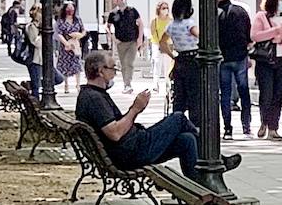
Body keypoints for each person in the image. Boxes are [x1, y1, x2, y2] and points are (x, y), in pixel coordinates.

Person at [75, 51, 241, 178]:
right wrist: (135, 109)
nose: (115, 72)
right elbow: (115, 133)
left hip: (131, 147)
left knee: (187, 140)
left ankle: (200, 186)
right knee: (178, 118)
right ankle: (215, 158)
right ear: (100, 71)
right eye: (112, 68)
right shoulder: (94, 99)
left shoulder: (92, 94)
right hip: (131, 152)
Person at [250, 0, 282, 141]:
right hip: (265, 60)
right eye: (280, 1)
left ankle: (273, 127)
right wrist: (274, 32)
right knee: (266, 93)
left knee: (278, 95)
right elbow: (255, 36)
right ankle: (264, 121)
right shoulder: (261, 17)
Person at [216, 0, 254, 140]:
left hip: (223, 58)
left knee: (225, 94)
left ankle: (228, 129)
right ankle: (246, 127)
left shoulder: (215, 13)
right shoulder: (241, 11)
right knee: (244, 91)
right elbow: (248, 33)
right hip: (240, 56)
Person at [161, 0, 201, 121]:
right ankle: (195, 123)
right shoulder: (189, 24)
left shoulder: (171, 25)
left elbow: (162, 42)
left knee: (179, 94)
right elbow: (200, 36)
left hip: (179, 60)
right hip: (193, 58)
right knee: (194, 93)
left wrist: (172, 54)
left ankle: (177, 120)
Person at [105, 0, 144, 94]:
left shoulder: (132, 10)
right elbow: (107, 26)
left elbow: (140, 24)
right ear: (116, 0)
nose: (123, 1)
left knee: (129, 62)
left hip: (132, 41)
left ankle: (128, 84)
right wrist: (112, 38)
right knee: (123, 64)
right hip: (120, 42)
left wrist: (140, 38)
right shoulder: (113, 13)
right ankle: (125, 83)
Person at [23, 4, 60, 99]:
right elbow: (36, 43)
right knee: (36, 87)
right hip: (35, 60)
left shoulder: (43, 26)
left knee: (58, 78)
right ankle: (36, 105)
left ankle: (31, 84)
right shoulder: (31, 27)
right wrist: (42, 33)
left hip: (46, 59)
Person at [54, 2, 85, 93]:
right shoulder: (61, 20)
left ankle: (78, 84)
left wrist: (80, 35)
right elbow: (58, 33)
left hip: (75, 44)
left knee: (77, 64)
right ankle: (66, 84)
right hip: (65, 44)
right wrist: (65, 43)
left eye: (72, 8)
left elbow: (83, 30)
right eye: (68, 8)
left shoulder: (77, 19)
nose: (70, 10)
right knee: (65, 65)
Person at [149, 1, 173, 95]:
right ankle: (156, 84)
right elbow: (152, 32)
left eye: (166, 8)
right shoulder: (154, 21)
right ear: (159, 9)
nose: (165, 10)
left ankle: (168, 83)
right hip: (157, 44)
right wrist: (159, 43)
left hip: (168, 44)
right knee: (157, 64)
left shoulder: (170, 21)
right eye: (163, 8)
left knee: (167, 65)